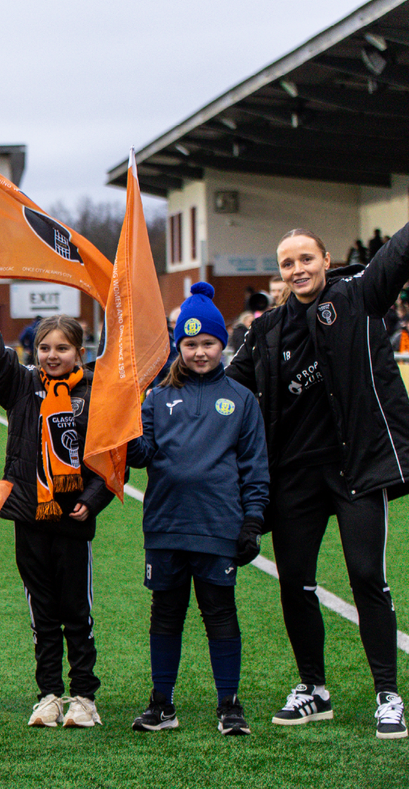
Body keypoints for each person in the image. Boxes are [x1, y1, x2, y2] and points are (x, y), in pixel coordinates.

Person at [227, 225, 409, 739]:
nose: (298, 269)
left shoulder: (360, 296)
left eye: (306, 258)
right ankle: (314, 689)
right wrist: (163, 386)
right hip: (294, 477)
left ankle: (388, 696)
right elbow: (225, 384)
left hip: (357, 469)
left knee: (367, 577)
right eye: (287, 263)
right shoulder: (266, 330)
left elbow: (397, 253)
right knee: (295, 582)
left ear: (327, 260)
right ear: (280, 272)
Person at [0, 274, 115, 729]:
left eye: (62, 348)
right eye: (44, 347)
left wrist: (92, 499)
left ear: (80, 352)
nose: (52, 355)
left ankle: (84, 697)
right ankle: (49, 695)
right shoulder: (20, 386)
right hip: (29, 516)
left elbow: (111, 458)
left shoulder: (94, 393)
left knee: (76, 613)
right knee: (42, 614)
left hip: (73, 520)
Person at [125, 283, 270, 736]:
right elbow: (143, 454)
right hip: (166, 524)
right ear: (179, 346)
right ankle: (162, 704)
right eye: (190, 344)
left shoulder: (241, 399)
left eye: (208, 343)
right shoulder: (156, 396)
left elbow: (254, 467)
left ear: (221, 343)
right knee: (166, 615)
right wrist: (124, 431)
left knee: (220, 614)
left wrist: (252, 521)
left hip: (217, 526)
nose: (200, 352)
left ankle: (229, 704)